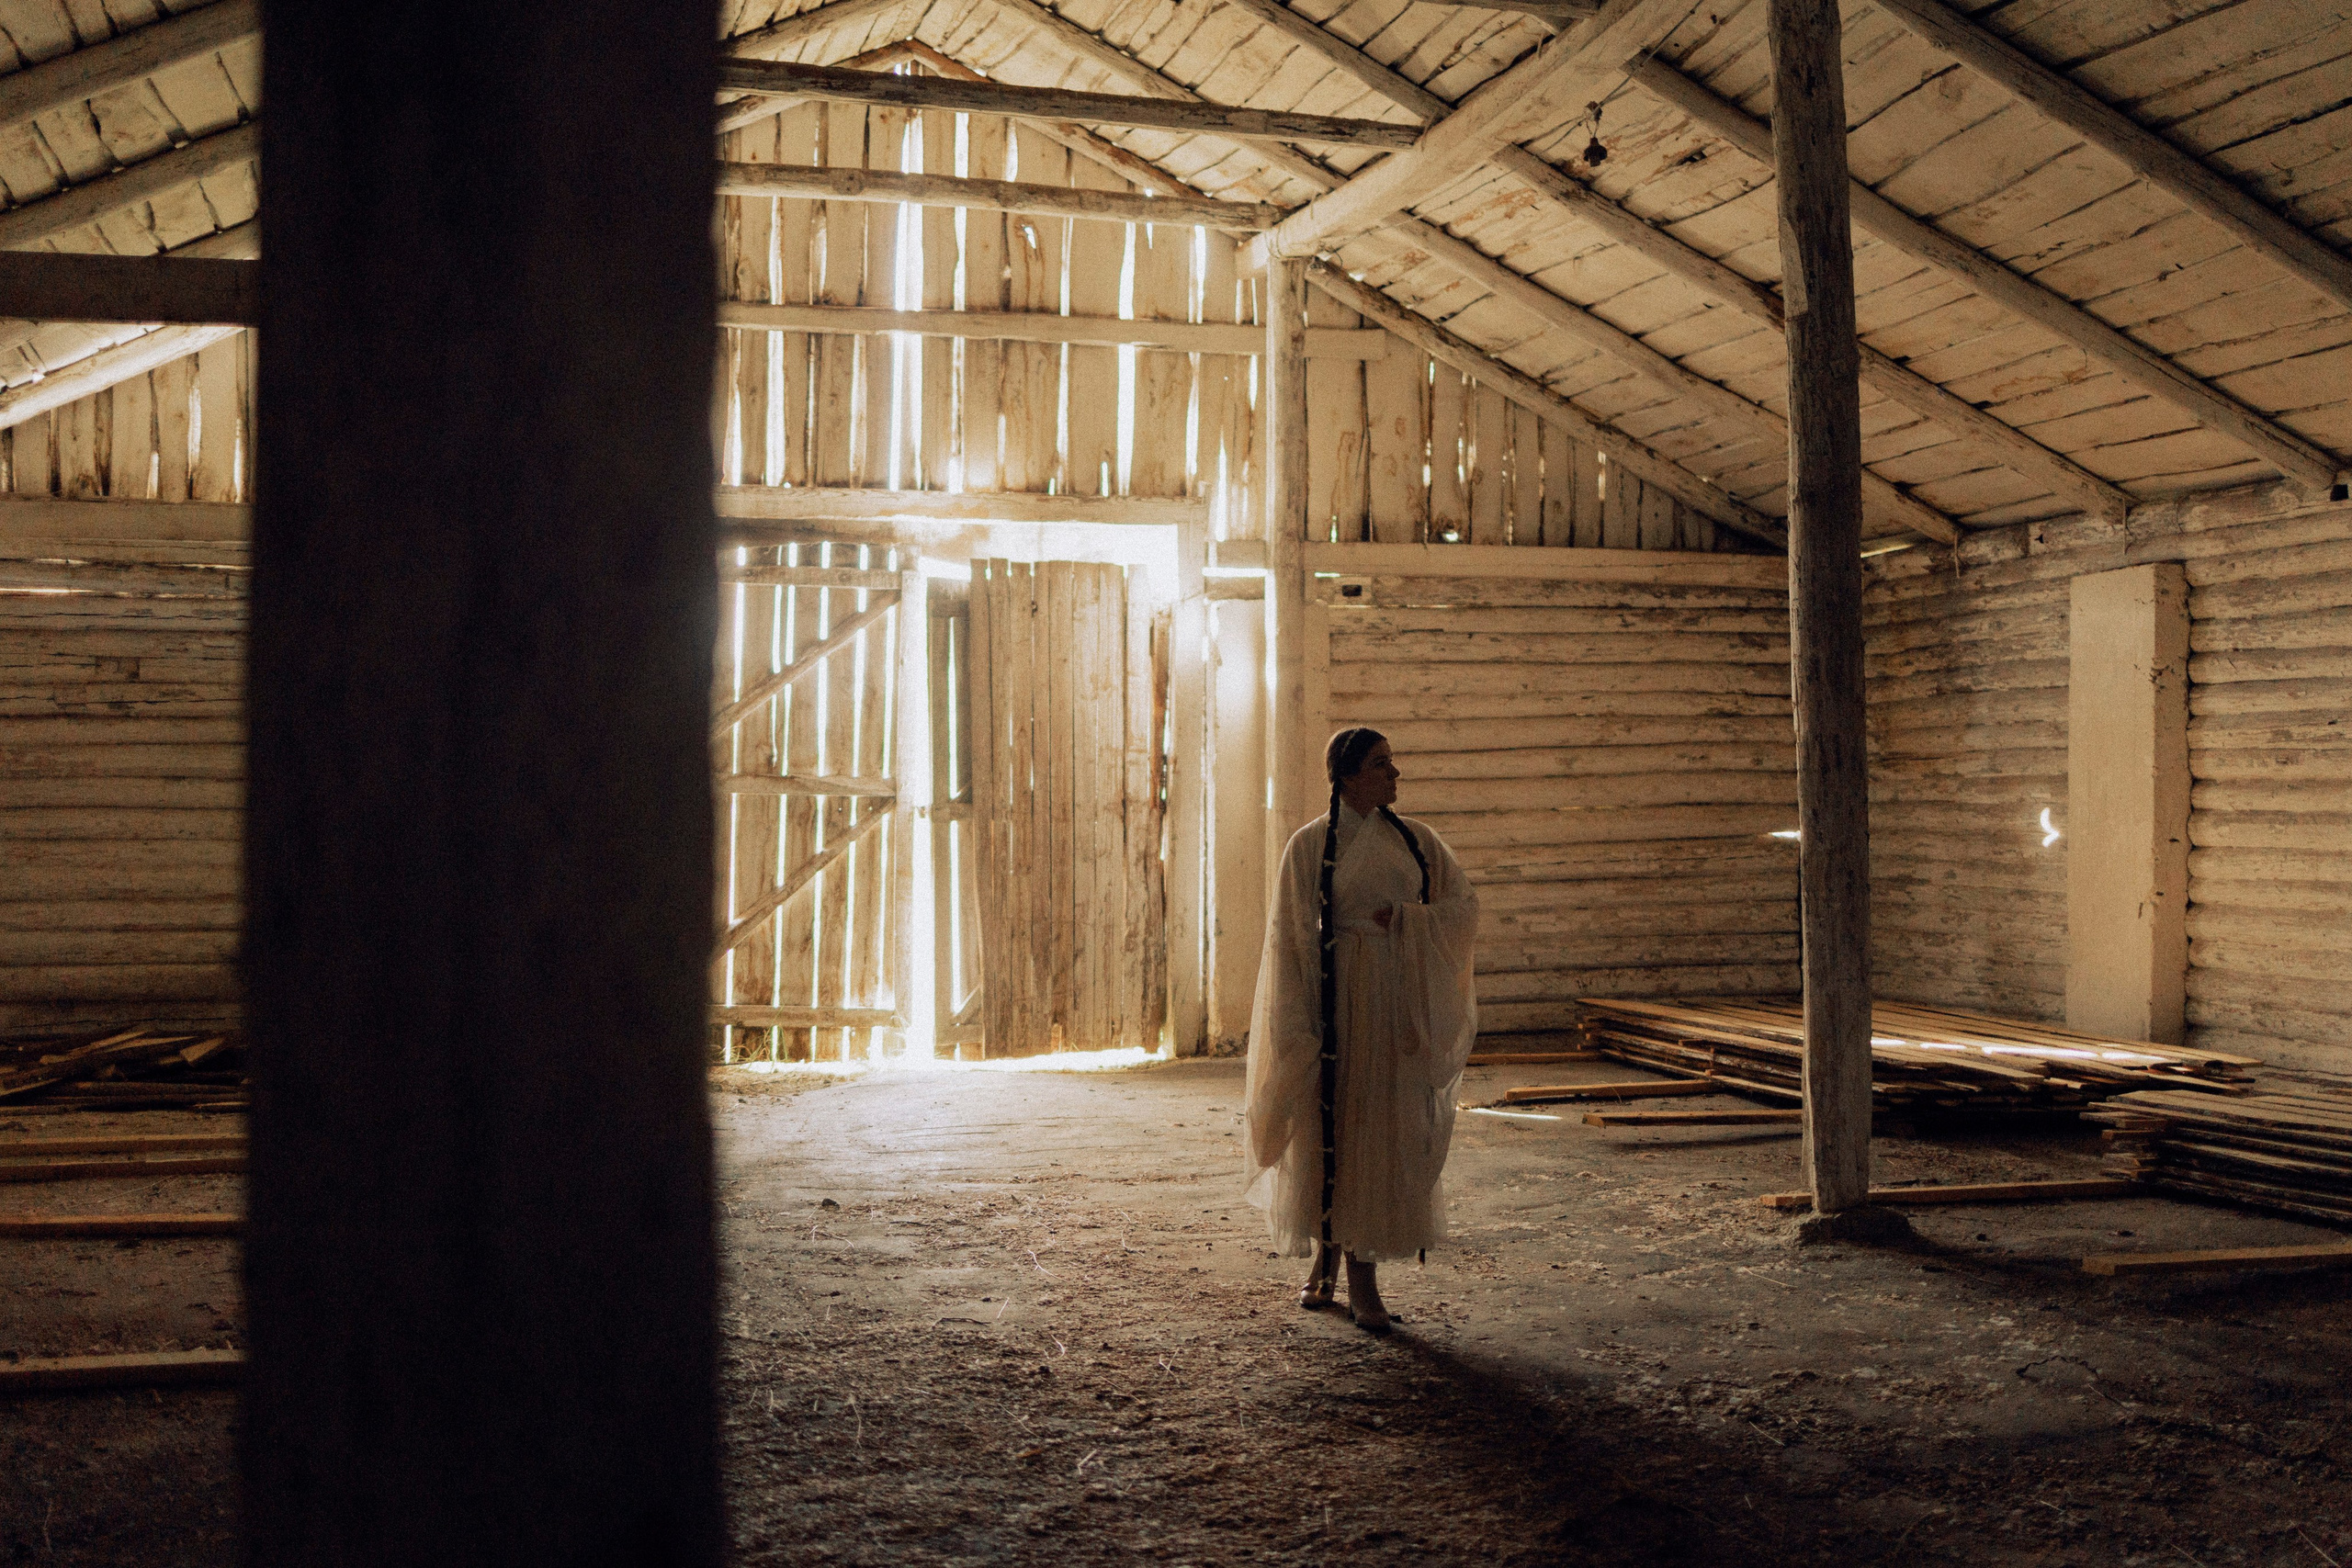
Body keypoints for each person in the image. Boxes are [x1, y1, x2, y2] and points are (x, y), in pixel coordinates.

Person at [1241, 727, 1480, 1333]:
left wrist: (1407, 921)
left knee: (1378, 1135)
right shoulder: (1309, 845)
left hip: (1391, 1013)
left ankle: (1364, 1279)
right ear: (1347, 776)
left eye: (1393, 763)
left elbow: (1463, 909)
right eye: (1381, 765)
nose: (1395, 775)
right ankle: (1326, 1261)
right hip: (1335, 1004)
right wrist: (1297, 1022)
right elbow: (1287, 939)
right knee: (1329, 1130)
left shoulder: (1417, 841)